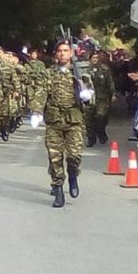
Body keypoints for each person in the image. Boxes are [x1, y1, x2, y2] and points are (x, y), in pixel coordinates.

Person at [30, 41, 92, 208]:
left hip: (74, 121)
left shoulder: (80, 73)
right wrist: (36, 112)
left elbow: (90, 95)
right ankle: (58, 189)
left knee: (74, 156)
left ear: (71, 54)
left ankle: (73, 175)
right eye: (60, 51)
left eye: (66, 51)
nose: (63, 54)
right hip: (54, 120)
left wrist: (87, 95)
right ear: (55, 54)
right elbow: (40, 93)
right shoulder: (48, 73)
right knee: (55, 157)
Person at [84, 52, 116, 147]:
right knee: (88, 119)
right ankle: (91, 139)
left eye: (96, 58)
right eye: (93, 58)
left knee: (100, 117)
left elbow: (110, 81)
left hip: (102, 97)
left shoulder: (104, 69)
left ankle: (101, 133)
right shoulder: (85, 70)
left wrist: (113, 93)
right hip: (90, 98)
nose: (95, 59)